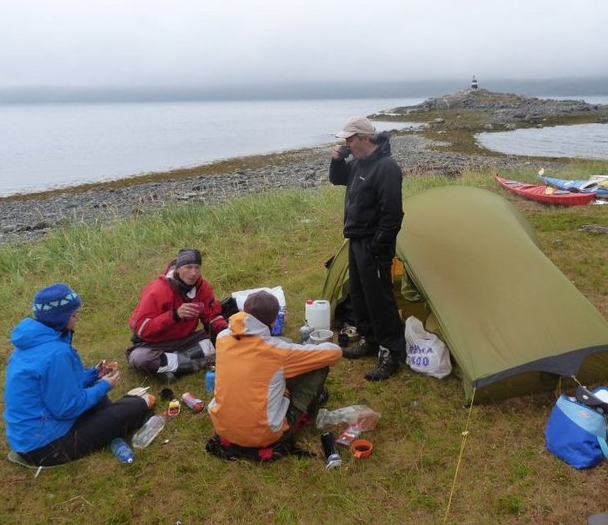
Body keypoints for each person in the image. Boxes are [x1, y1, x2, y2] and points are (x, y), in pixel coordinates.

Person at [3, 283, 152, 466]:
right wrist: (104, 385)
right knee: (137, 404)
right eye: (73, 315)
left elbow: (59, 386)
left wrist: (93, 375)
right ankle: (122, 419)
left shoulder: (31, 344)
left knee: (100, 400)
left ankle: (112, 423)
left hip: (30, 435)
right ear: (60, 319)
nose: (77, 318)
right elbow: (67, 408)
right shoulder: (56, 353)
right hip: (46, 446)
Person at [208, 290, 341, 458]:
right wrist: (309, 349)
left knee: (271, 374)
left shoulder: (221, 338)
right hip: (264, 435)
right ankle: (310, 402)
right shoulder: (277, 351)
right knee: (318, 366)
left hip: (223, 428)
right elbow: (334, 353)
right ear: (272, 321)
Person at [329, 116, 406, 381]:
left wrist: (377, 246)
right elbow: (336, 179)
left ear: (363, 138)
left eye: (349, 139)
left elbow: (393, 215)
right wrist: (337, 159)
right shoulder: (358, 164)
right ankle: (370, 340)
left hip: (374, 244)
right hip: (356, 240)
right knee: (360, 296)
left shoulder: (386, 168)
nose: (346, 143)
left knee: (380, 300)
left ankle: (391, 352)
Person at [127, 248, 227, 383]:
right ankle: (193, 365)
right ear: (178, 269)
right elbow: (141, 329)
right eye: (188, 267)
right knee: (140, 358)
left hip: (185, 339)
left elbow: (212, 316)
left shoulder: (202, 288)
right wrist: (174, 315)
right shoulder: (157, 290)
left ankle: (172, 366)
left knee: (219, 340)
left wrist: (224, 331)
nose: (193, 273)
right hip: (155, 344)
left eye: (197, 267)